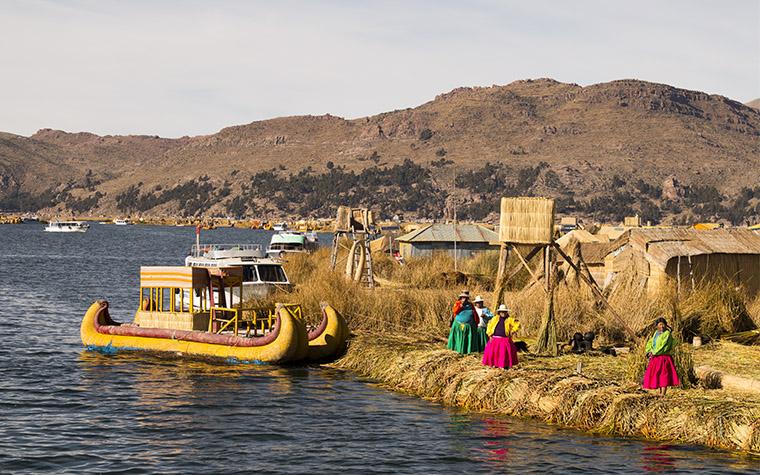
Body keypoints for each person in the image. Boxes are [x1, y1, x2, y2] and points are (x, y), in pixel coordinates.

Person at [642, 317, 681, 396]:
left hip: (664, 358)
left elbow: (663, 345)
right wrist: (648, 351)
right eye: (660, 324)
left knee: (664, 375)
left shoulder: (667, 334)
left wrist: (654, 352)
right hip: (656, 358)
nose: (662, 326)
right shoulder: (656, 333)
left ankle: (663, 394)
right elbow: (650, 342)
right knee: (658, 374)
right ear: (656, 326)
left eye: (663, 325)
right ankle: (660, 392)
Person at [482, 304, 519, 369]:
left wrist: (513, 331)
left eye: (504, 312)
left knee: (503, 354)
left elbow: (517, 324)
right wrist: (489, 334)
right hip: (495, 339)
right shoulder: (495, 318)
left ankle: (504, 366)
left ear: (506, 312)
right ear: (499, 312)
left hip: (505, 339)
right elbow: (489, 325)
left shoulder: (510, 319)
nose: (503, 313)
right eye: (502, 312)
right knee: (494, 353)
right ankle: (495, 365)